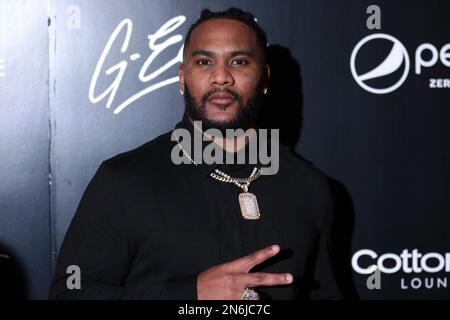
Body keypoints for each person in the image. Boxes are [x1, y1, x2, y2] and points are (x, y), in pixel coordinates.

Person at [49, 7, 342, 300]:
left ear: (264, 80)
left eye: (238, 61)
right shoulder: (124, 181)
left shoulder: (309, 187)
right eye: (204, 62)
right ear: (182, 77)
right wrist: (190, 294)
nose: (221, 77)